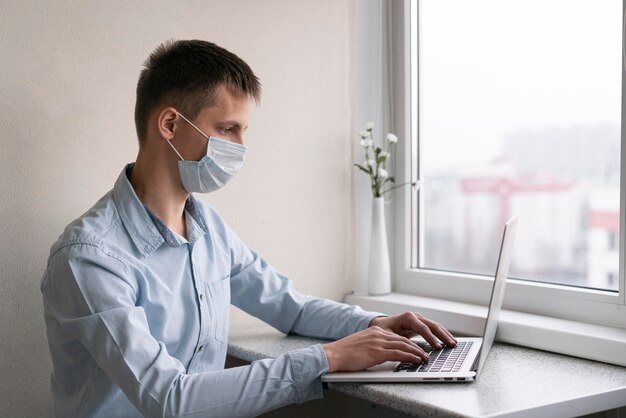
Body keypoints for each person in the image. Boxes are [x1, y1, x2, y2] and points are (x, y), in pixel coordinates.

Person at [41, 39, 456, 418]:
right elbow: (170, 400)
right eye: (226, 129)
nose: (240, 147)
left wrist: (372, 325)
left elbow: (289, 306)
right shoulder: (90, 257)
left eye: (243, 130)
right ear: (169, 124)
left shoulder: (208, 228)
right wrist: (329, 358)